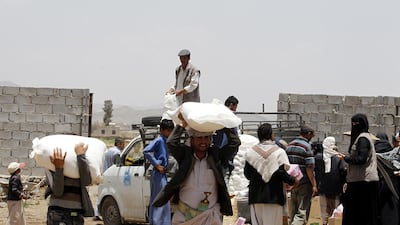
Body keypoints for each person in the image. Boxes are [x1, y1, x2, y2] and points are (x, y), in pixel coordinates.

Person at [153, 112, 241, 225]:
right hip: (185, 216)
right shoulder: (185, 156)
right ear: (192, 140)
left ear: (210, 140)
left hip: (209, 217)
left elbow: (235, 143)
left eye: (206, 138)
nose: (203, 141)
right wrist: (182, 125)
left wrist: (224, 125)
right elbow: (171, 142)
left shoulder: (216, 156)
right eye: (199, 138)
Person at [244, 123, 299, 225]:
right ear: (270, 135)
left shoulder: (250, 152)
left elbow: (247, 174)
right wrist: (293, 180)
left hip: (256, 197)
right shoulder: (279, 152)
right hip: (274, 197)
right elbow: (282, 173)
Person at [338, 113, 379, 225]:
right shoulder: (364, 138)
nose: (355, 125)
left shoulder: (363, 139)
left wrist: (346, 158)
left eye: (357, 123)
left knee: (356, 214)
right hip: (360, 181)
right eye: (353, 123)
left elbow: (362, 159)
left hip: (362, 182)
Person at [45, 143, 94, 225]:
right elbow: (58, 191)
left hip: (76, 213)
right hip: (58, 212)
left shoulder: (79, 165)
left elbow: (86, 181)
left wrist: (80, 157)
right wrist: (59, 168)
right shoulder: (51, 165)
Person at [143, 119, 175, 225]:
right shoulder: (159, 140)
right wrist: (156, 164)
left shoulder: (166, 141)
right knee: (159, 199)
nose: (170, 133)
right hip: (158, 173)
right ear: (162, 130)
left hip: (162, 174)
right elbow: (146, 151)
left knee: (163, 199)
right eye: (168, 131)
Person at [285, 124, 317, 225]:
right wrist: (314, 185)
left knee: (293, 211)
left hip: (292, 183)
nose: (312, 137)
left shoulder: (289, 145)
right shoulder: (307, 147)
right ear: (308, 134)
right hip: (304, 183)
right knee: (302, 212)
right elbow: (309, 168)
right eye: (312, 135)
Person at [314, 136, 347, 225]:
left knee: (324, 214)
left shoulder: (318, 158)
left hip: (323, 189)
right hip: (335, 190)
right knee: (335, 213)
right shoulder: (338, 158)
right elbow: (344, 172)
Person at [213, 95, 239, 180]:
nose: (235, 110)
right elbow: (235, 141)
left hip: (224, 154)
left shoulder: (222, 117)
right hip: (223, 154)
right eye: (235, 108)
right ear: (231, 105)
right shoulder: (226, 118)